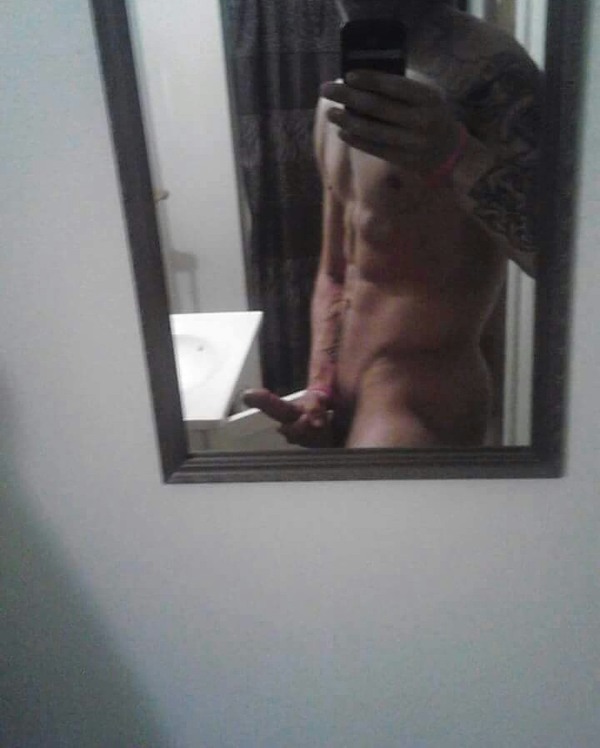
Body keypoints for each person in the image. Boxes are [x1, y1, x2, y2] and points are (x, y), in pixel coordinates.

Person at [244, 0, 541, 448]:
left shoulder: (493, 74)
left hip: (417, 403)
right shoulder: (340, 96)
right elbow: (336, 269)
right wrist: (320, 388)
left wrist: (454, 153)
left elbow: (565, 261)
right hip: (345, 396)